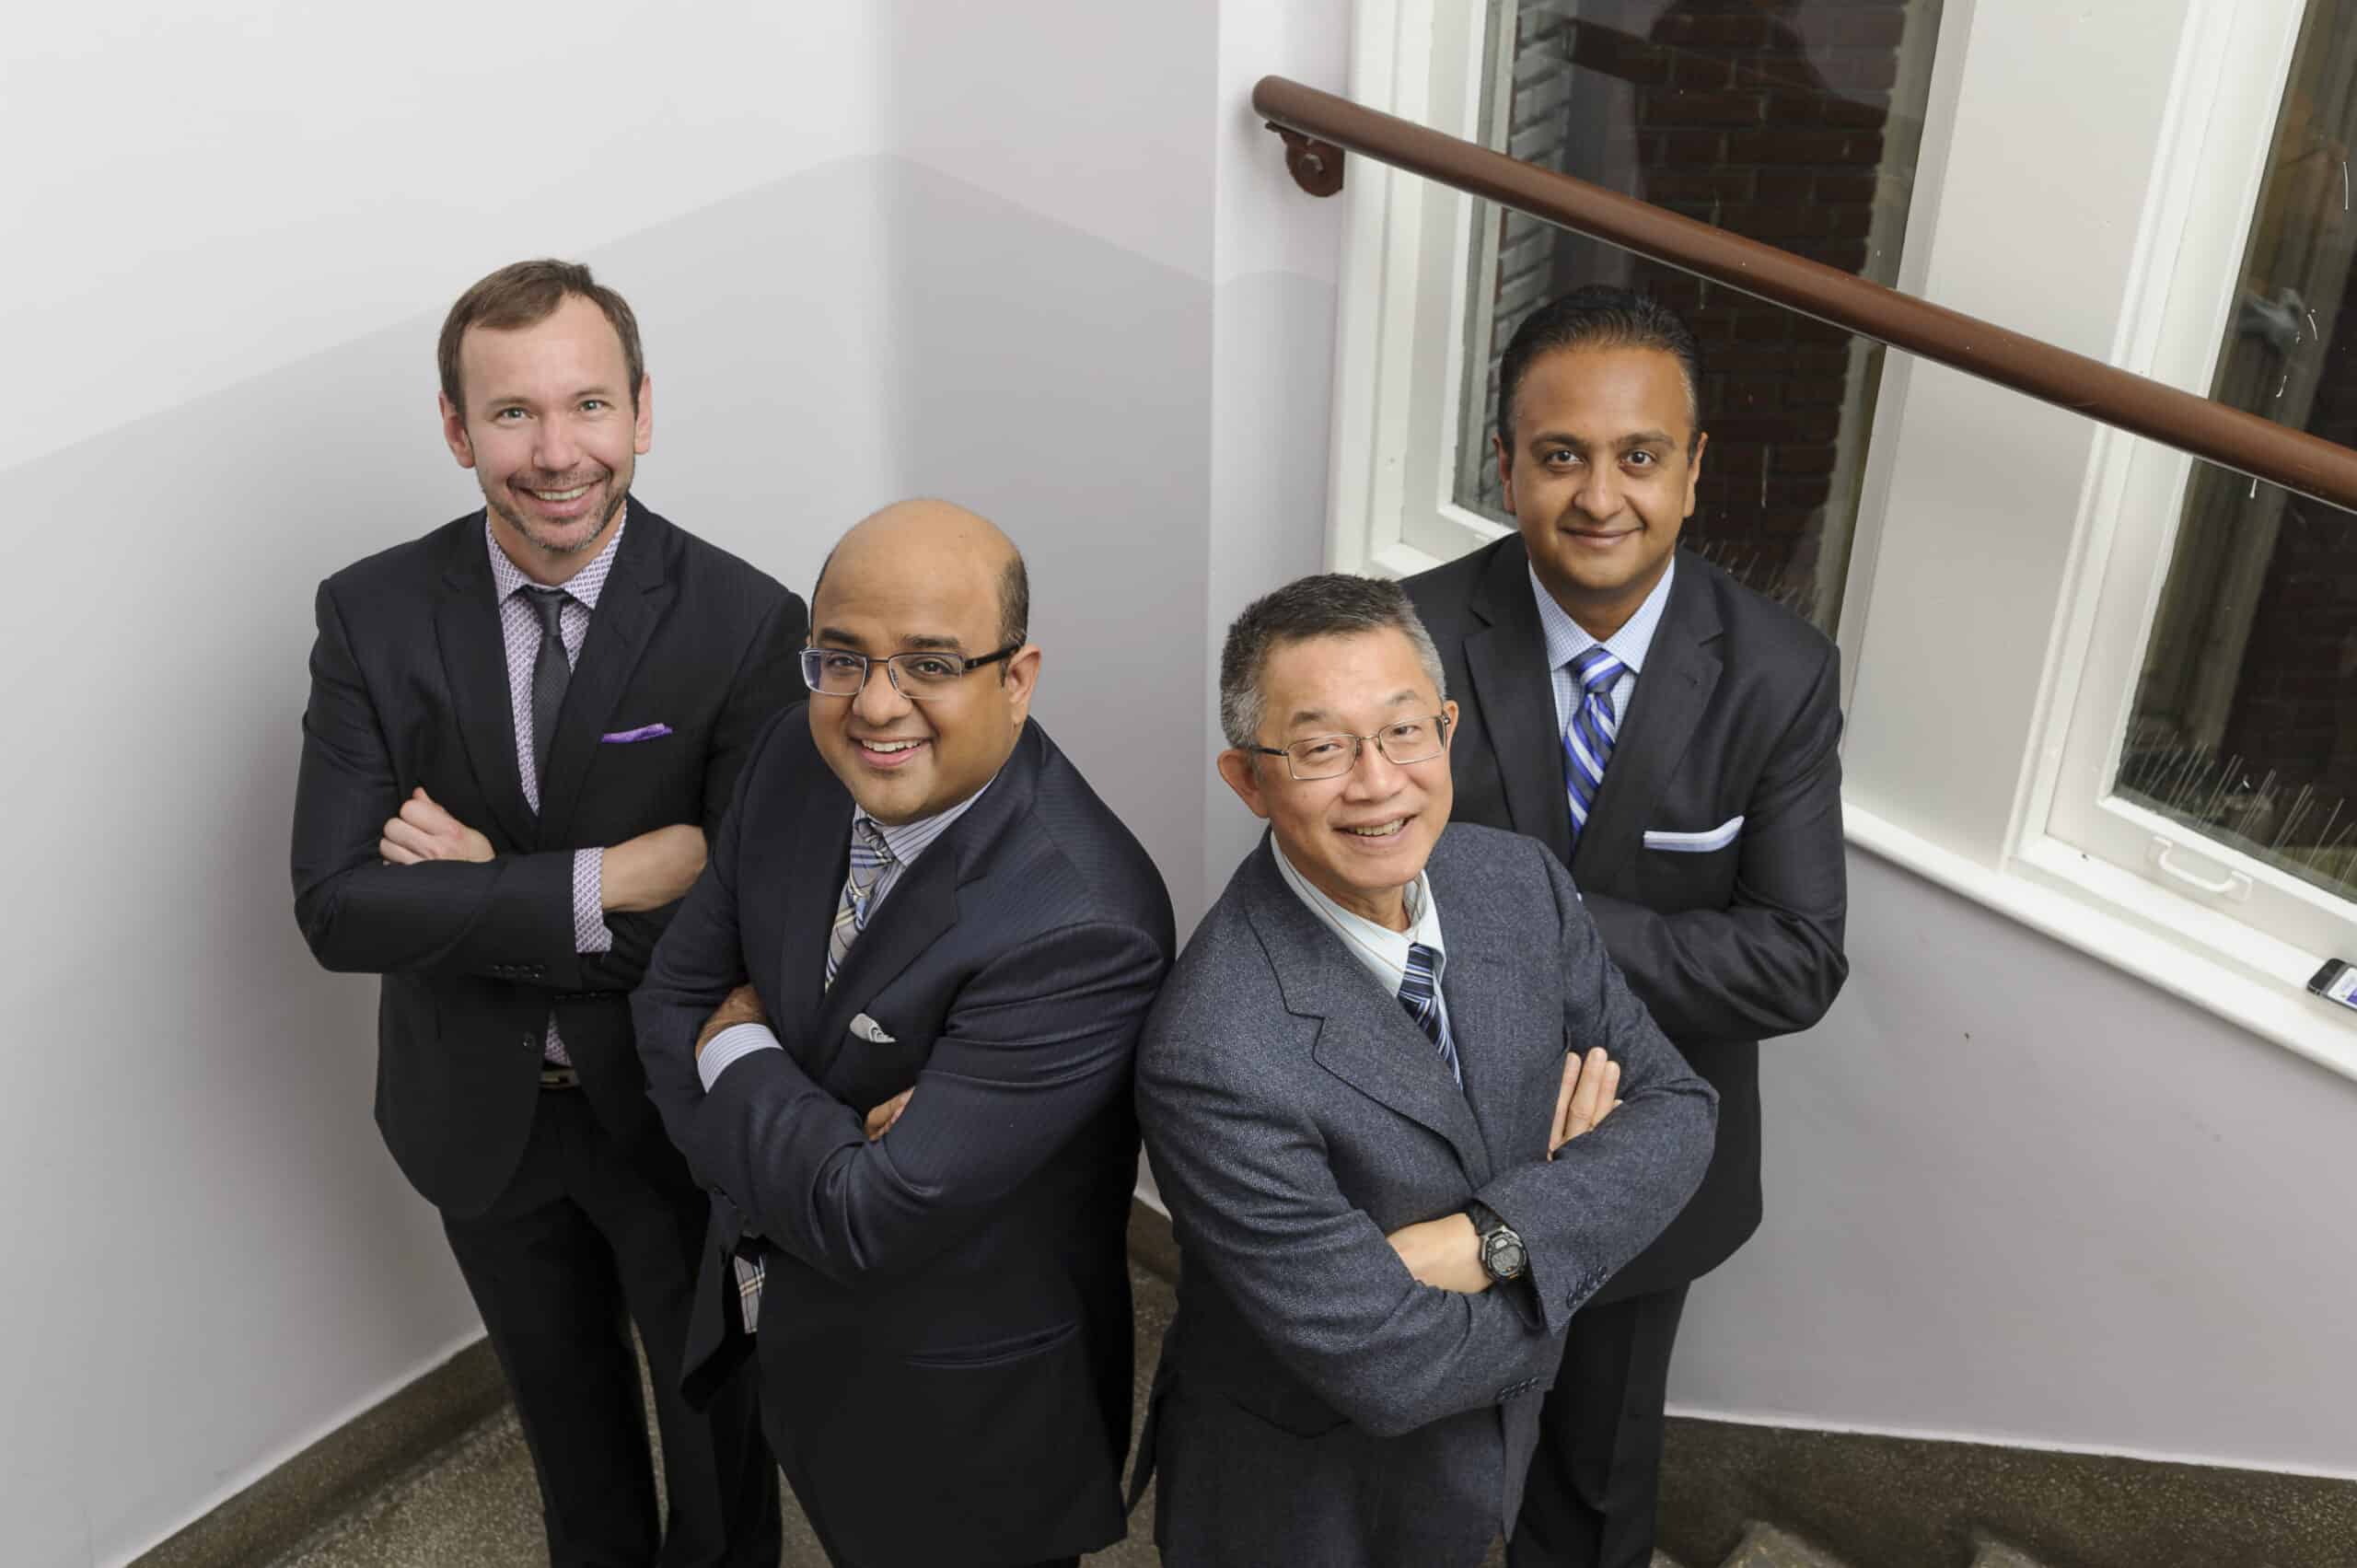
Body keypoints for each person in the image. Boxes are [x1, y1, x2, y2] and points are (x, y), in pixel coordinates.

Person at [290, 259, 799, 1565]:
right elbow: (338, 907)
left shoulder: (748, 624)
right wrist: (608, 876)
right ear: (458, 429)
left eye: (588, 405)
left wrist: (464, 887)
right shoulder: (371, 613)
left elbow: (749, 936)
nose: (556, 451)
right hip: (480, 1119)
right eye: (513, 413)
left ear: (642, 410)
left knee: (724, 1415)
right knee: (565, 1426)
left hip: (689, 1125)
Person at [1133, 574, 1718, 1568]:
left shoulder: (1516, 882)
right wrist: (1578, 1215)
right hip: (1307, 1505)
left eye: (1404, 730)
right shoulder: (1213, 1049)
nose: (1377, 781)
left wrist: (1489, 1236)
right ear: (1249, 778)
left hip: (1486, 1467)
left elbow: (1679, 1112)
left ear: (1446, 730)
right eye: (1320, 748)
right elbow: (1390, 1362)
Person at [632, 499, 1175, 1568]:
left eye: (929, 663)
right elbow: (664, 1004)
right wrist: (815, 1149)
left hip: (962, 1409)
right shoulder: (796, 751)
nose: (875, 705)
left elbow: (868, 1217)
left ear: (1015, 678)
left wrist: (738, 1045)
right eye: (842, 658)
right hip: (795, 1332)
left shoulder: (1083, 922)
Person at [1404, 285, 1850, 1568]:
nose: (1602, 495)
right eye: (1561, 455)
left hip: (1645, 1171)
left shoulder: (1780, 670)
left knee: (1594, 1490)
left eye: (1640, 455)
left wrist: (1531, 926)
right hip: (1424, 1139)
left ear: (1695, 470)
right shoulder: (1407, 639)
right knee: (1401, 1454)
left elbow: (1797, 955)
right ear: (1505, 465)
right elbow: (1340, 889)